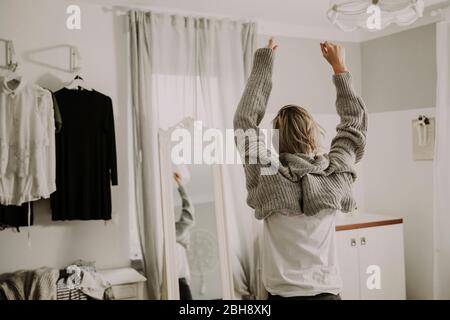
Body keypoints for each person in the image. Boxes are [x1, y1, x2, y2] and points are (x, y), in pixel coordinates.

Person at [233, 39, 368, 300]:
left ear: (276, 138)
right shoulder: (335, 172)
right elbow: (354, 126)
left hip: (282, 296)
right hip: (328, 294)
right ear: (314, 135)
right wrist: (339, 67)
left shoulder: (269, 173)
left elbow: (244, 122)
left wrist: (264, 64)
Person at [173, 172, 195, 300]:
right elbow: (189, 212)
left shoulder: (176, 233)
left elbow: (189, 211)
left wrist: (180, 185)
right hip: (178, 281)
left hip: (181, 282)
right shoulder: (176, 234)